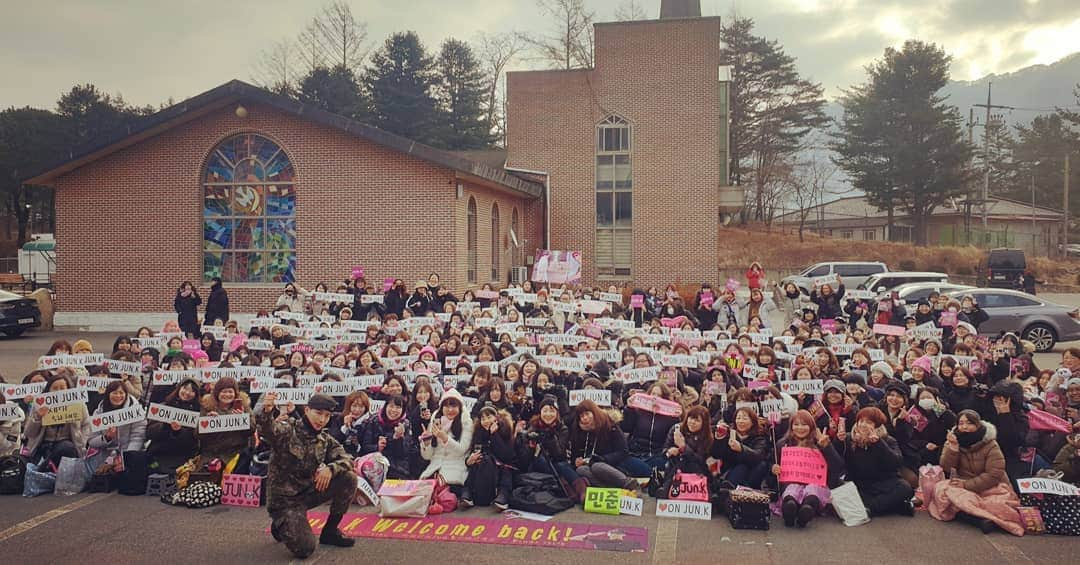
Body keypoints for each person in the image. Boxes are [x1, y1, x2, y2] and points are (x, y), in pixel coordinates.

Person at [259, 391, 357, 559]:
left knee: (348, 478)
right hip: (285, 501)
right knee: (305, 549)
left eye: (327, 416)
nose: (322, 420)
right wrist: (267, 412)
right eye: (318, 413)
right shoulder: (289, 429)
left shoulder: (323, 438)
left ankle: (330, 532)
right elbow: (269, 431)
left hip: (306, 493)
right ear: (306, 410)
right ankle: (281, 524)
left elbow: (347, 458)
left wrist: (330, 469)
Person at [929, 410, 1025, 535]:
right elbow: (947, 467)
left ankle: (982, 518)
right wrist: (953, 449)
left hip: (992, 486)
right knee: (942, 491)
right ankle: (982, 520)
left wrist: (966, 485)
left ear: (978, 425)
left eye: (969, 423)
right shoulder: (954, 440)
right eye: (961, 423)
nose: (964, 427)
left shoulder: (990, 444)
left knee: (996, 505)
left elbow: (994, 474)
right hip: (963, 485)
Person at [771, 409, 844, 528]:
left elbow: (837, 466)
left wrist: (827, 447)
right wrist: (774, 468)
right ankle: (789, 513)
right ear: (791, 427)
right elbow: (771, 464)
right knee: (791, 492)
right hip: (791, 482)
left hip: (815, 483)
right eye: (796, 424)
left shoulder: (820, 442)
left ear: (811, 427)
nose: (800, 428)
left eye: (804, 424)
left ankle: (806, 513)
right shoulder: (783, 444)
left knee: (813, 492)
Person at [839, 407, 915, 517]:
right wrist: (837, 442)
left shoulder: (888, 440)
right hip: (860, 484)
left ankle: (871, 509)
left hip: (883, 482)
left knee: (905, 488)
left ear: (877, 425)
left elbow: (896, 462)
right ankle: (896, 506)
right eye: (861, 421)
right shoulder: (848, 438)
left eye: (869, 422)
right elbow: (837, 462)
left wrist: (879, 444)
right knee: (843, 493)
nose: (864, 425)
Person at [23, 373, 92, 469]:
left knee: (66, 448)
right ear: (49, 390)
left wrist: (82, 440)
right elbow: (29, 433)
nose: (59, 391)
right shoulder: (40, 404)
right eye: (55, 388)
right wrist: (38, 417)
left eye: (62, 388)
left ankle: (46, 466)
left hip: (68, 445)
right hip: (43, 445)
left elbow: (86, 425)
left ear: (68, 389)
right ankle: (46, 466)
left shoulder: (78, 404)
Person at [419, 389, 474, 495]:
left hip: (455, 471)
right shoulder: (436, 420)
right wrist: (426, 443)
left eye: (454, 406)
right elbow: (427, 456)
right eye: (447, 406)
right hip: (435, 469)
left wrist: (445, 438)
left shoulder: (466, 423)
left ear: (460, 408)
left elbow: (462, 450)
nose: (450, 410)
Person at [147, 379, 202, 472]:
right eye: (185, 388)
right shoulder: (164, 406)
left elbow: (194, 440)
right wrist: (165, 425)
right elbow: (149, 433)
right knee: (151, 468)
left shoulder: (197, 412)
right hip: (158, 454)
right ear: (179, 388)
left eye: (192, 391)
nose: (187, 393)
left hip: (182, 457)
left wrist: (178, 432)